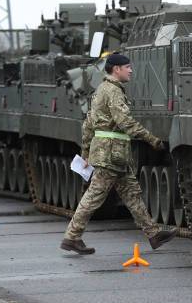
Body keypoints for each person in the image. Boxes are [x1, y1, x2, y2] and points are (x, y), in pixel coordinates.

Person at [61, 53, 177, 255]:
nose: (131, 70)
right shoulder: (113, 91)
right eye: (128, 67)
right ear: (116, 69)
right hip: (111, 154)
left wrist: (86, 152)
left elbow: (88, 124)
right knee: (93, 196)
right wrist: (153, 140)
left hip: (113, 154)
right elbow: (125, 122)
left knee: (132, 194)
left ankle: (154, 234)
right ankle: (72, 237)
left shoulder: (100, 91)